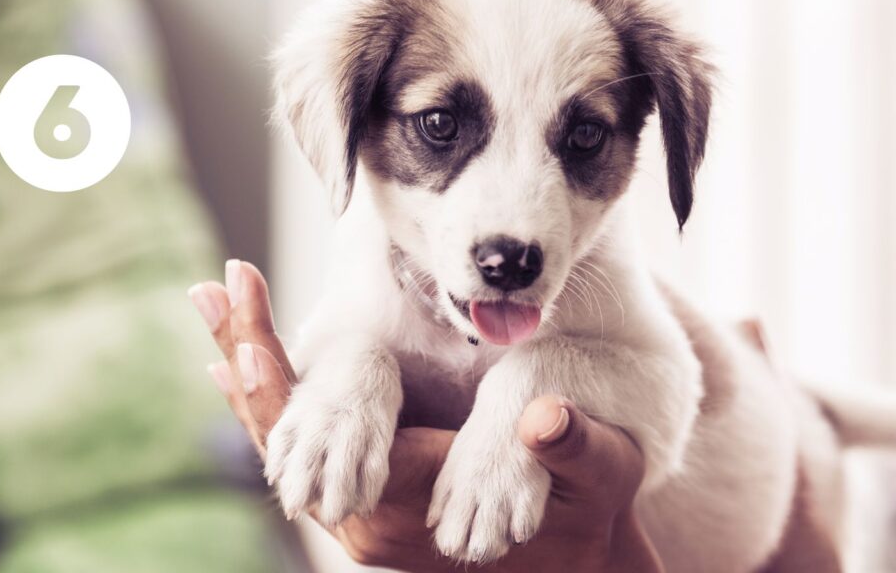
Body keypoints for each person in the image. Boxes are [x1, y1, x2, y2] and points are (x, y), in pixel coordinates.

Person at [189, 261, 842, 572]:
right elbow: (335, 346)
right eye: (439, 124)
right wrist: (348, 379)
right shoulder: (373, 278)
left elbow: (667, 384)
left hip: (778, 485)